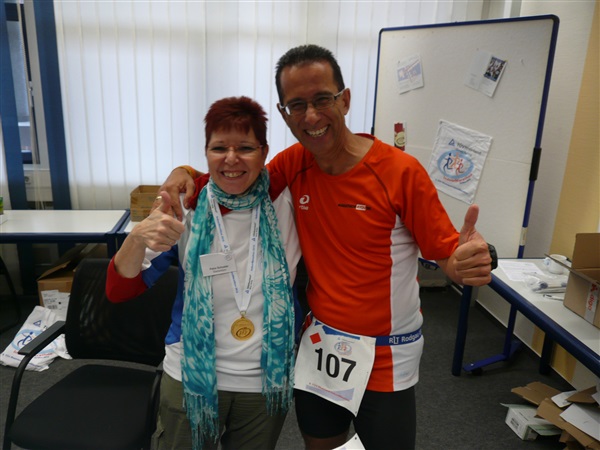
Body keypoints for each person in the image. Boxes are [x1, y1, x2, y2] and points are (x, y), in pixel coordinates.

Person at [159, 45, 495, 450]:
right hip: (321, 348)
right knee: (322, 445)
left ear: (345, 100)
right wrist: (185, 172)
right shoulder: (293, 163)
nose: (311, 116)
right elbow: (235, 182)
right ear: (285, 113)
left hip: (386, 356)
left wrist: (463, 264)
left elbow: (447, 256)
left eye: (322, 100)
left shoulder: (399, 172)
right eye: (297, 105)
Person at [106, 96, 301, 450]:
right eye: (219, 148)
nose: (231, 159)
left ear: (264, 152)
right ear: (206, 152)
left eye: (245, 148)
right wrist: (136, 238)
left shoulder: (288, 196)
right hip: (191, 375)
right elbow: (120, 289)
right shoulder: (187, 206)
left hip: (265, 381)